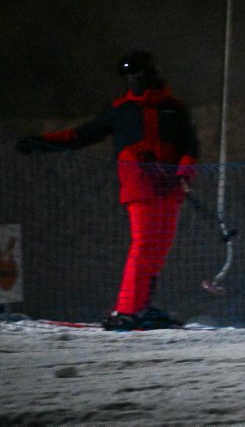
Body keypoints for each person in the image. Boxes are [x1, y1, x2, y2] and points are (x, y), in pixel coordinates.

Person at [18, 50, 198, 330]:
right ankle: (127, 309)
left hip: (170, 189)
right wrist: (39, 143)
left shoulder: (173, 108)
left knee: (156, 251)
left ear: (151, 75)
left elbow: (190, 146)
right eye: (129, 76)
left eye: (138, 75)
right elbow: (81, 135)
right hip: (140, 187)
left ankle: (141, 307)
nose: (133, 81)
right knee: (144, 248)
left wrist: (184, 170)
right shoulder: (120, 109)